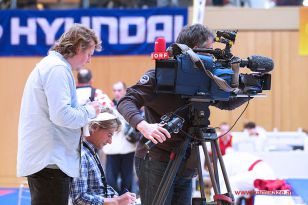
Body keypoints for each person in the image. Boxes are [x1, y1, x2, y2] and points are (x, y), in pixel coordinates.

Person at [117, 23, 250, 205]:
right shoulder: (162, 75)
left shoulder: (207, 79)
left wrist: (248, 90)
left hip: (187, 161)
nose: (213, 56)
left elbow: (225, 103)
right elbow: (126, 101)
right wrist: (143, 125)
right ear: (195, 50)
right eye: (210, 50)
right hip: (156, 159)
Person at [17, 24, 102, 205]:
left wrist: (82, 109)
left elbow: (59, 112)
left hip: (49, 162)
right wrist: (90, 111)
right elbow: (62, 116)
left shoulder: (54, 66)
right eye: (89, 54)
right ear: (79, 47)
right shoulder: (57, 69)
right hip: (50, 164)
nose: (89, 60)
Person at [70, 107, 137, 205]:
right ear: (94, 128)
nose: (110, 141)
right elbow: (79, 198)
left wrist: (117, 197)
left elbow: (99, 188)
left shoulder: (90, 152)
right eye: (109, 135)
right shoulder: (82, 155)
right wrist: (116, 201)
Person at [103, 81, 137, 194]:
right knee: (110, 180)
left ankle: (127, 200)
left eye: (119, 90)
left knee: (127, 180)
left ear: (125, 91)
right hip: (112, 149)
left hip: (128, 148)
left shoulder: (131, 106)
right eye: (114, 90)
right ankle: (115, 200)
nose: (116, 93)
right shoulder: (108, 107)